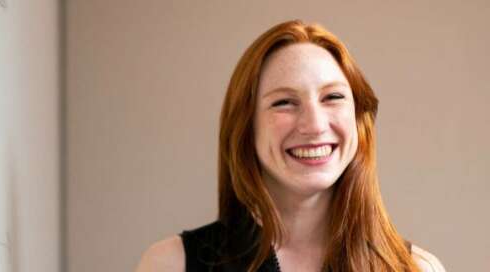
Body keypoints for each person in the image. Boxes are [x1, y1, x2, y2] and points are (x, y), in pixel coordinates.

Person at [136, 20, 445, 272]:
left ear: (359, 120)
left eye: (332, 97)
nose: (314, 125)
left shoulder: (417, 268)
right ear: (245, 128)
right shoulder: (171, 265)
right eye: (284, 103)